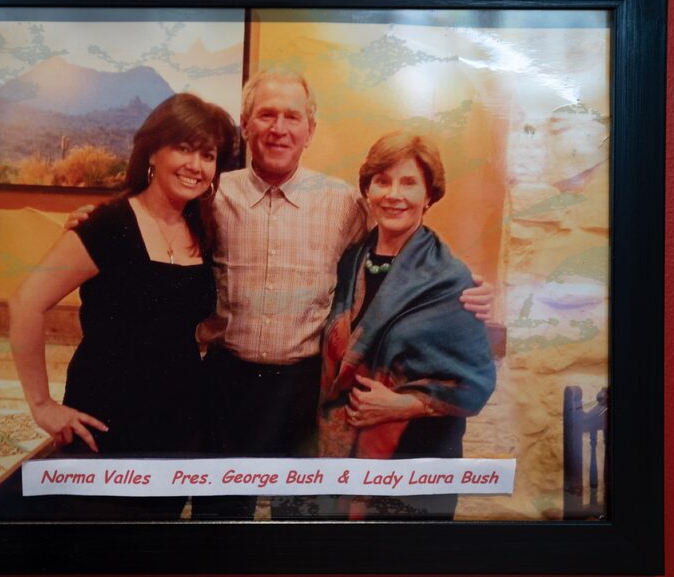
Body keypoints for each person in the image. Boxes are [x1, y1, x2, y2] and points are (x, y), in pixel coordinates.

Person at [67, 70, 493, 519]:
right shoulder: (208, 196)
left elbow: (403, 244)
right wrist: (97, 221)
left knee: (299, 515)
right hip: (225, 383)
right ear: (246, 126)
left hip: (305, 389)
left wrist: (473, 287)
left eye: (293, 116)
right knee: (220, 514)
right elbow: (151, 219)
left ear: (310, 130)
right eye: (266, 115)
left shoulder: (343, 202)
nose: (279, 127)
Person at [9, 93, 237, 519]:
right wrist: (41, 405)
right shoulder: (107, 224)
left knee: (151, 548)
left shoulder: (201, 227)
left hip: (177, 429)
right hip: (105, 426)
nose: (195, 165)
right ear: (153, 149)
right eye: (183, 148)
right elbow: (25, 303)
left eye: (207, 155)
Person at [317, 131, 496, 520]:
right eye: (382, 180)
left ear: (429, 195)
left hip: (418, 459)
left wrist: (399, 404)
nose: (393, 194)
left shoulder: (450, 278)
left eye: (409, 182)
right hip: (344, 458)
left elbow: (475, 384)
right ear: (368, 190)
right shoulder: (350, 262)